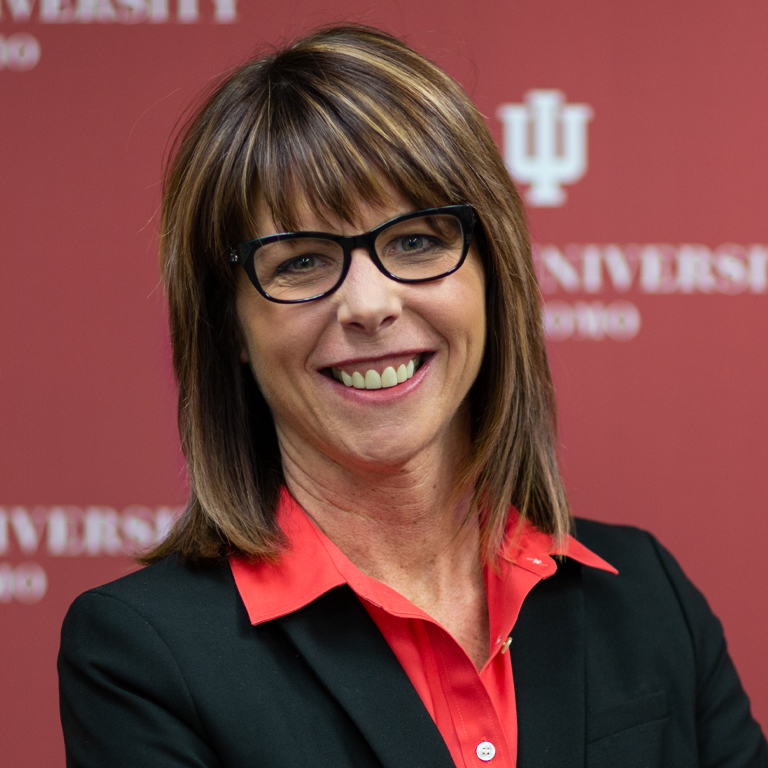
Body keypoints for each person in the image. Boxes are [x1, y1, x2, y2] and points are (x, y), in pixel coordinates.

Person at [58, 24, 767, 768]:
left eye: (417, 242)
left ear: (493, 272)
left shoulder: (649, 596)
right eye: (301, 259)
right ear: (229, 321)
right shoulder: (143, 657)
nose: (369, 304)